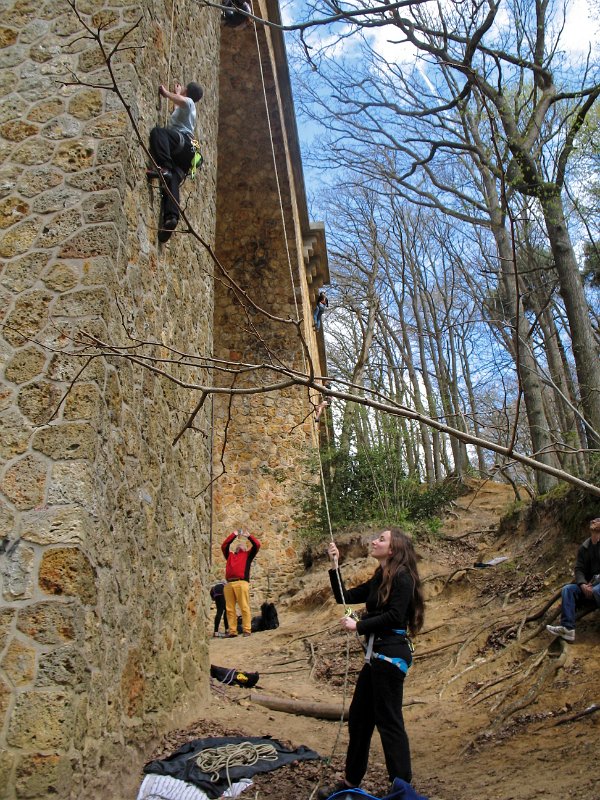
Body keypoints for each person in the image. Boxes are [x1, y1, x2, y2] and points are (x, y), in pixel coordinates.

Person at [318, 528, 425, 799]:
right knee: (360, 719)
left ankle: (402, 787)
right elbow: (344, 597)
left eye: (381, 539)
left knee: (389, 722)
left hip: (390, 657)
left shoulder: (403, 577)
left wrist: (360, 625)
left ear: (393, 549)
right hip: (375, 658)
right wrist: (335, 565)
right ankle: (350, 780)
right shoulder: (382, 576)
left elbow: (394, 616)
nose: (374, 541)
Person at [148, 80, 203, 242]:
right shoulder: (187, 109)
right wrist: (178, 93)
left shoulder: (190, 103)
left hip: (183, 144)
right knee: (171, 179)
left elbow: (182, 102)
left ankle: (164, 167)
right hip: (186, 156)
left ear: (188, 90)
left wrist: (166, 93)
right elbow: (177, 108)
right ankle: (171, 218)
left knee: (159, 133)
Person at [546, 517, 600, 642]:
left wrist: (595, 584)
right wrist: (582, 584)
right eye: (593, 521)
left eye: (597, 520)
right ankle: (568, 628)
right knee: (567, 590)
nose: (594, 522)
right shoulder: (584, 548)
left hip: (597, 587)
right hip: (588, 586)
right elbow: (579, 569)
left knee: (597, 590)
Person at [221, 529, 261, 637]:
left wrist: (249, 536)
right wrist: (234, 535)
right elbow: (224, 546)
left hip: (241, 583)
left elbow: (257, 545)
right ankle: (232, 631)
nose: (240, 545)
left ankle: (247, 630)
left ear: (245, 549)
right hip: (229, 584)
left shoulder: (248, 555)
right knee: (229, 609)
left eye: (243, 545)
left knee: (244, 607)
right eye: (238, 545)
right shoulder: (230, 556)